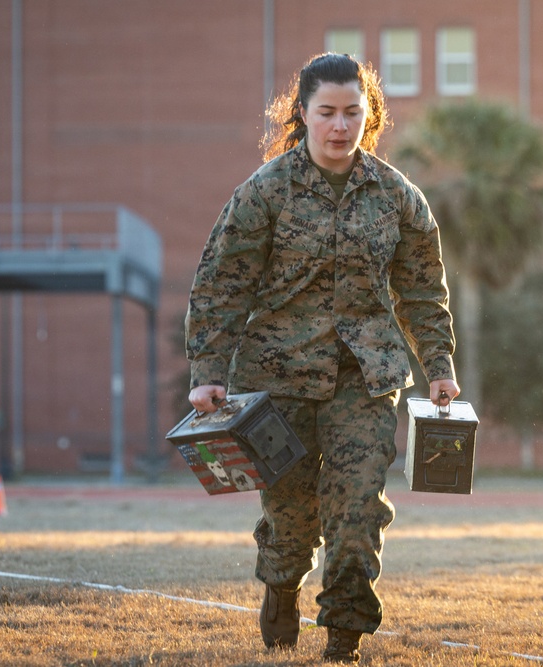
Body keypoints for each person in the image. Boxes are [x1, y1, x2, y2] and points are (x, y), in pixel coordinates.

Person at [185, 52, 459, 664]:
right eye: (328, 112)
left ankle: (343, 639)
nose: (340, 126)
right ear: (302, 114)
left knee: (358, 507)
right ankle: (281, 586)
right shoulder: (265, 192)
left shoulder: (398, 198)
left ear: (371, 115)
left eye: (353, 113)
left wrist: (438, 368)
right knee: (291, 515)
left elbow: (422, 290)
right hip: (276, 379)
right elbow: (222, 284)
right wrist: (207, 375)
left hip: (366, 379)